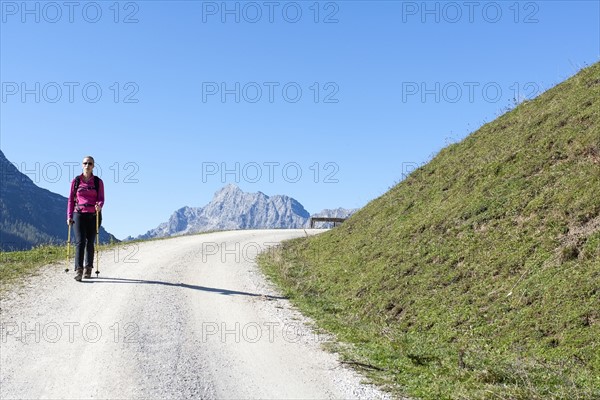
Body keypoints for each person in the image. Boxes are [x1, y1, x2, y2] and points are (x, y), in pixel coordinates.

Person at [67, 156, 105, 281]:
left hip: (94, 214)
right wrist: (69, 215)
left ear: (93, 166)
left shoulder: (98, 182)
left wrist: (99, 205)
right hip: (79, 213)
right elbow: (71, 199)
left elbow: (101, 198)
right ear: (82, 165)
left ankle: (88, 268)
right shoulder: (76, 181)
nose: (87, 165)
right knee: (80, 241)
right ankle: (79, 270)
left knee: (90, 242)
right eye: (85, 163)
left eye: (90, 163)